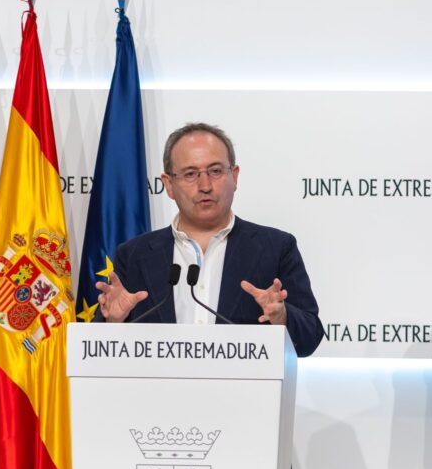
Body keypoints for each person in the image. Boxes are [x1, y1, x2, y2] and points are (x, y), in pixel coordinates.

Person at [94, 122, 322, 357]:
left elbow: (309, 339)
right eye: (190, 174)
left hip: (242, 392)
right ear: (169, 185)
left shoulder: (276, 248)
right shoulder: (134, 255)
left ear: (234, 176)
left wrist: (281, 316)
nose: (205, 186)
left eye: (215, 171)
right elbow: (100, 353)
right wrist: (113, 321)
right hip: (157, 392)